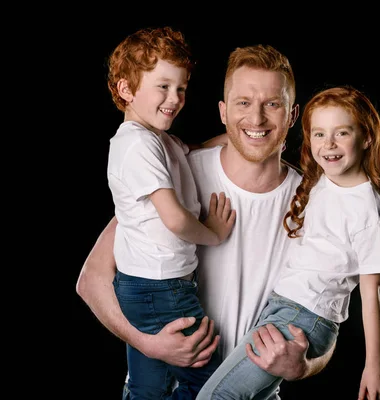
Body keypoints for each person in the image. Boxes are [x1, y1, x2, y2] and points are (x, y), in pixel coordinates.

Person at [77, 43, 335, 399]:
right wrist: (147, 344)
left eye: (272, 104)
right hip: (172, 386)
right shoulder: (180, 175)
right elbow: (91, 280)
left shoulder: (316, 203)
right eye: (243, 103)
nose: (257, 119)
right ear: (223, 112)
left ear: (292, 115)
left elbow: (326, 315)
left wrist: (303, 365)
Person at [197, 85, 380, 399]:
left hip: (306, 317)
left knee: (216, 396)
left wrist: (374, 364)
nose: (329, 145)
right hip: (281, 307)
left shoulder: (369, 208)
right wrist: (187, 150)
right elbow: (252, 144)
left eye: (342, 133)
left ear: (366, 137)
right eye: (319, 134)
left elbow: (371, 290)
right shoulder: (323, 178)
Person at [103, 26, 236, 399]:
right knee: (208, 378)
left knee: (150, 385)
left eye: (180, 88)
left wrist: (237, 135)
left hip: (146, 285)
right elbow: (175, 219)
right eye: (162, 86)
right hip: (160, 287)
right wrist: (214, 233)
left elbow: (193, 152)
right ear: (126, 89)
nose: (174, 98)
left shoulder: (158, 140)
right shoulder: (136, 144)